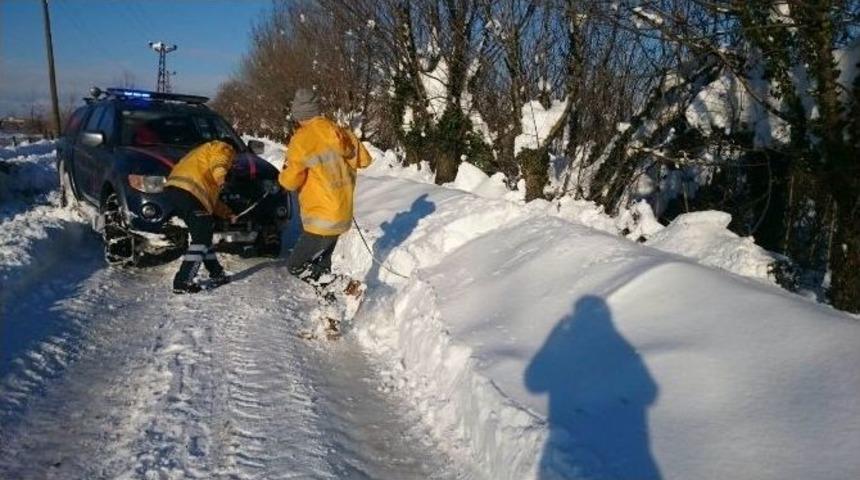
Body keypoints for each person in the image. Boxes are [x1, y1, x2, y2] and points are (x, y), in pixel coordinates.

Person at [279, 88, 371, 289]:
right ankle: (330, 313)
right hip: (341, 214)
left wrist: (287, 170)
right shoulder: (342, 133)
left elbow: (289, 182)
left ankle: (346, 286)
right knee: (321, 266)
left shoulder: (302, 140)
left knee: (296, 266)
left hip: (320, 219)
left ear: (298, 114)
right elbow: (365, 160)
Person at [164, 139, 238, 293]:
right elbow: (221, 161)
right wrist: (221, 177)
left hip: (176, 191)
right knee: (202, 237)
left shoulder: (200, 158)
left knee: (203, 234)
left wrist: (228, 213)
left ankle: (217, 273)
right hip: (189, 192)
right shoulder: (223, 146)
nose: (234, 162)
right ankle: (182, 282)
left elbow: (211, 201)